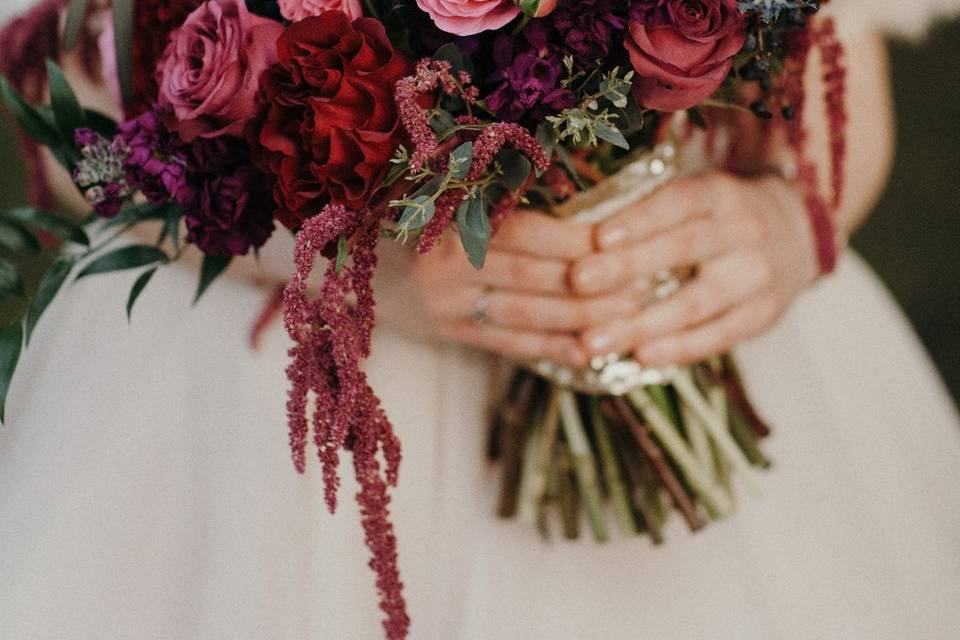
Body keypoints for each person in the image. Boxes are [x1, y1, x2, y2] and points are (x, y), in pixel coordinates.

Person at [1, 1, 959, 639]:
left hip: (688, 320)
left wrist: (790, 229)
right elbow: (74, 141)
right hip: (265, 405)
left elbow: (843, 65)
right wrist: (337, 261)